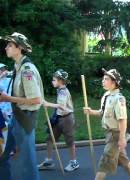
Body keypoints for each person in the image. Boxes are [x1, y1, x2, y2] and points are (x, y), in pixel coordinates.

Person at [0, 32, 43, 180]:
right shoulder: (18, 66)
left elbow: (37, 99)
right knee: (3, 157)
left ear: (19, 48)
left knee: (28, 164)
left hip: (24, 120)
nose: (6, 48)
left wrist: (7, 98)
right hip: (16, 119)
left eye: (10, 45)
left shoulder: (27, 70)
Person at [83, 69, 130, 180]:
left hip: (116, 135)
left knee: (104, 163)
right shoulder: (106, 96)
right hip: (109, 134)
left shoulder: (119, 99)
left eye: (106, 79)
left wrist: (122, 139)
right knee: (124, 160)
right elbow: (102, 112)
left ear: (114, 82)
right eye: (103, 79)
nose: (103, 81)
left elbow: (122, 120)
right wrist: (91, 111)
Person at [38, 69, 79, 172]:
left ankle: (74, 162)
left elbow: (62, 106)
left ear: (60, 81)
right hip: (58, 118)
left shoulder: (64, 92)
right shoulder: (59, 90)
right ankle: (48, 161)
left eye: (54, 80)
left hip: (67, 119)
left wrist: (47, 104)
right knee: (49, 139)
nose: (52, 81)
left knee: (70, 141)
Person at [0, 63, 12, 155]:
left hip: (8, 107)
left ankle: (9, 148)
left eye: (4, 69)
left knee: (8, 128)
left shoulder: (9, 80)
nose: (3, 71)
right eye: (1, 69)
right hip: (1, 108)